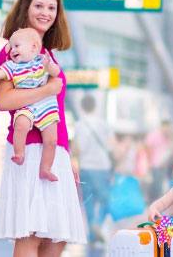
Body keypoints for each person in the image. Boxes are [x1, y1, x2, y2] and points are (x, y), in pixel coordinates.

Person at [0, 0, 86, 256]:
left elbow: (56, 112)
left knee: (56, 237)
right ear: (26, 8)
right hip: (28, 151)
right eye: (39, 6)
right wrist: (46, 89)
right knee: (31, 234)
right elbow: (3, 101)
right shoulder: (13, 51)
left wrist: (67, 157)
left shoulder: (48, 54)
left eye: (51, 7)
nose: (45, 12)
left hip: (53, 151)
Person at [0, 27, 61, 181]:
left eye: (17, 46)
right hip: (26, 105)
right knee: (21, 124)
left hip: (46, 106)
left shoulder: (42, 61)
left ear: (34, 48)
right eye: (11, 47)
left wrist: (49, 65)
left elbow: (56, 73)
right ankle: (19, 153)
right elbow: (0, 74)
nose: (12, 51)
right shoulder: (12, 66)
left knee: (51, 140)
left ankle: (45, 168)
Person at [72, 93, 114, 245]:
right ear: (95, 106)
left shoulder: (79, 125)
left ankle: (91, 232)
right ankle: (97, 223)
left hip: (86, 167)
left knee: (88, 200)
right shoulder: (103, 124)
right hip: (102, 166)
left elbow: (77, 149)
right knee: (105, 199)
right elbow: (111, 145)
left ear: (82, 107)